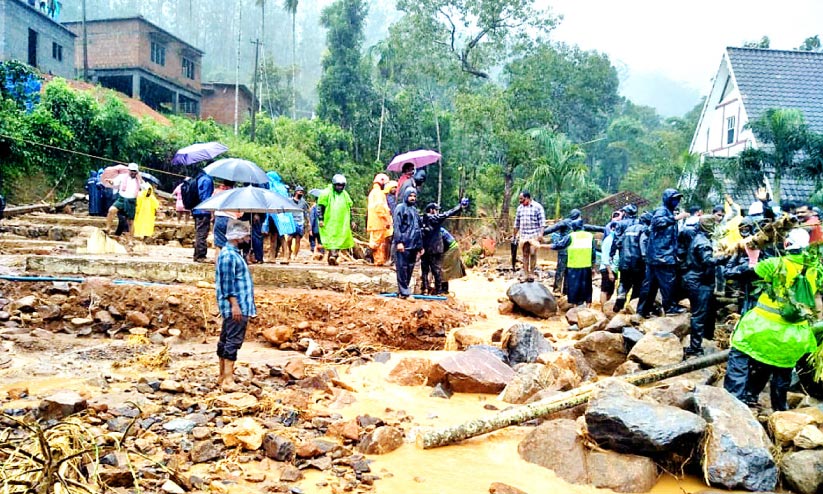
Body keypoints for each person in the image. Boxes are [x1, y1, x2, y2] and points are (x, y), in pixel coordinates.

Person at [724, 229, 822, 411]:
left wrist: (752, 258)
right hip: (795, 337)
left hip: (761, 330)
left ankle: (732, 406)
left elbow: (732, 275)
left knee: (739, 355)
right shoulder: (816, 269)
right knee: (781, 372)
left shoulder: (774, 264)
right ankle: (779, 411)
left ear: (786, 244)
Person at [215, 220, 256, 390]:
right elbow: (227, 283)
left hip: (238, 305)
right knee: (233, 341)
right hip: (237, 307)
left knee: (226, 339)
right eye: (246, 234)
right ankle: (228, 380)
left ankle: (223, 375)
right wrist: (235, 305)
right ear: (238, 236)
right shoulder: (229, 256)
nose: (248, 237)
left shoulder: (233, 254)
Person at [639, 188, 690, 317]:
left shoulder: (667, 211)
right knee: (668, 283)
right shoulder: (663, 211)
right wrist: (677, 217)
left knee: (650, 285)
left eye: (678, 199)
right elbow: (657, 223)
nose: (676, 201)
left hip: (658, 255)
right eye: (674, 199)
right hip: (662, 256)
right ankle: (670, 308)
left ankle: (643, 310)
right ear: (667, 199)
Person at [682, 216, 726, 357]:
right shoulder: (703, 243)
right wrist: (726, 257)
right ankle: (695, 348)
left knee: (701, 313)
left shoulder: (698, 238)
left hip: (695, 279)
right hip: (699, 281)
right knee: (699, 315)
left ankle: (700, 342)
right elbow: (708, 260)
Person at [421, 200, 466, 294]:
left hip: (448, 248)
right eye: (436, 210)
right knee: (438, 269)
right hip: (436, 249)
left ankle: (428, 289)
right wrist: (460, 207)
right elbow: (447, 214)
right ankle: (439, 290)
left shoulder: (421, 219)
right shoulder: (435, 219)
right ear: (431, 210)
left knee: (432, 269)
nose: (437, 212)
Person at [550, 219, 596, 306]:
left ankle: (575, 306)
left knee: (574, 287)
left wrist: (543, 246)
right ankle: (588, 305)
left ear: (573, 228)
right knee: (587, 286)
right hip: (586, 266)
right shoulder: (590, 236)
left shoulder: (571, 236)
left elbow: (560, 245)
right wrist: (593, 267)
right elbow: (593, 253)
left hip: (574, 266)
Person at [613, 211, 651, 312]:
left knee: (623, 282)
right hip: (637, 262)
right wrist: (644, 257)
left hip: (624, 261)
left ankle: (620, 297)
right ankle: (632, 306)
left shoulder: (628, 229)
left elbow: (618, 243)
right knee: (637, 284)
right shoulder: (644, 229)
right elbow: (643, 243)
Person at [317, 174, 355, 265]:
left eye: (342, 186)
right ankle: (333, 255)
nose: (340, 187)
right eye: (338, 185)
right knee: (331, 239)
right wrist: (321, 219)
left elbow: (350, 208)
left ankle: (332, 258)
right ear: (334, 184)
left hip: (342, 222)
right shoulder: (326, 193)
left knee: (340, 240)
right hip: (330, 221)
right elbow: (320, 207)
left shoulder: (345, 194)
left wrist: (352, 221)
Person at [393, 187, 423, 299]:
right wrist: (399, 242)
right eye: (410, 196)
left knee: (410, 268)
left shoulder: (415, 210)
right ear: (405, 196)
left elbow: (418, 228)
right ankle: (404, 292)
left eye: (414, 196)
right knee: (402, 268)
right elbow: (397, 226)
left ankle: (404, 291)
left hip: (413, 245)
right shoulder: (400, 208)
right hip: (404, 244)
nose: (412, 198)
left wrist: (420, 246)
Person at [105, 163, 143, 244]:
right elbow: (115, 183)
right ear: (129, 170)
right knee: (112, 210)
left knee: (130, 222)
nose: (133, 173)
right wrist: (110, 182)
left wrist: (141, 181)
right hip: (121, 198)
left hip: (131, 201)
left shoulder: (139, 180)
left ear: (137, 172)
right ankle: (108, 228)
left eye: (135, 171)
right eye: (132, 171)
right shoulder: (122, 177)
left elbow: (145, 188)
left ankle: (130, 240)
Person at [261, 171, 295, 261]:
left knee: (281, 236)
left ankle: (285, 256)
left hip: (280, 214)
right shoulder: (269, 187)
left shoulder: (281, 188)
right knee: (272, 235)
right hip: (271, 214)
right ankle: (272, 257)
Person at [513, 191, 546, 283]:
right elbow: (517, 223)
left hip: (534, 235)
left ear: (527, 198)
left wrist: (541, 234)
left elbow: (542, 223)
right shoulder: (520, 208)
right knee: (525, 254)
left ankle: (531, 273)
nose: (520, 201)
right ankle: (526, 274)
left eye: (522, 199)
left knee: (533, 253)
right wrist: (514, 235)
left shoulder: (538, 207)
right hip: (524, 235)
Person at [367, 173, 392, 266]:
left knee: (379, 243)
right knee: (376, 243)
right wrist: (386, 220)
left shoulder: (374, 192)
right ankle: (368, 254)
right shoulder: (378, 193)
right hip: (378, 222)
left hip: (375, 221)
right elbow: (380, 208)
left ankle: (379, 261)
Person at [212, 180, 238, 260]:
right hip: (232, 219)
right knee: (232, 245)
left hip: (219, 217)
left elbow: (211, 205)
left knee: (218, 246)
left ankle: (218, 269)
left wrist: (212, 216)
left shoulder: (217, 192)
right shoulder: (237, 194)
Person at [192, 172, 214, 262]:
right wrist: (210, 210)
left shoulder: (198, 178)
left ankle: (197, 254)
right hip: (203, 210)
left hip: (196, 209)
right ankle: (200, 255)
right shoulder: (207, 180)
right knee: (202, 233)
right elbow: (205, 197)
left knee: (199, 232)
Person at [289, 186, 310, 261]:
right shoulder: (290, 201)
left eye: (302, 191)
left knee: (298, 239)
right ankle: (289, 251)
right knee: (289, 238)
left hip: (300, 222)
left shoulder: (303, 202)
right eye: (299, 191)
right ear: (295, 192)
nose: (301, 192)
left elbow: (306, 213)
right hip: (292, 221)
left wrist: (308, 223)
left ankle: (295, 254)